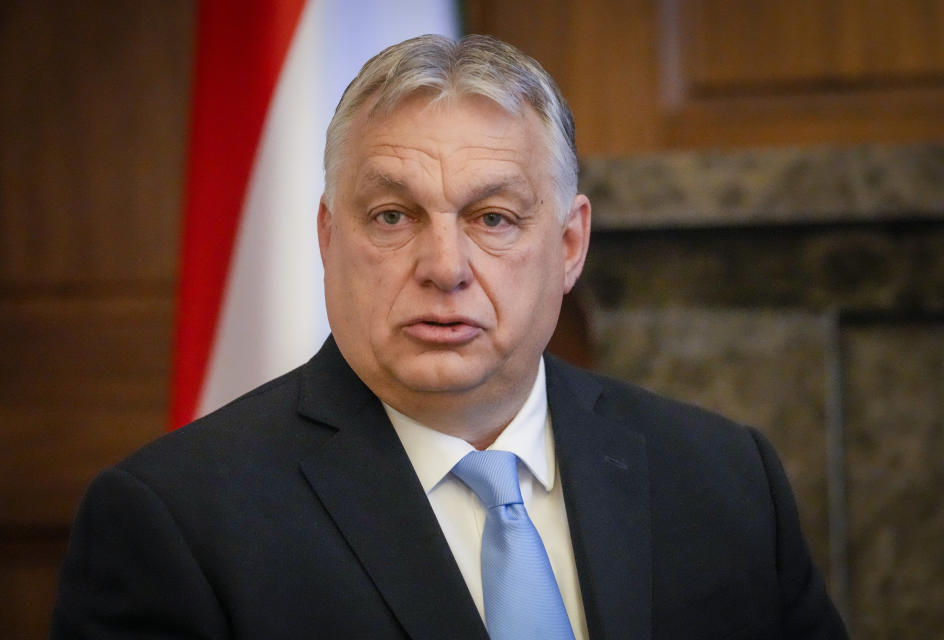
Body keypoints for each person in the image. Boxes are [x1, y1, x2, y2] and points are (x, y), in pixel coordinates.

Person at [52, 34, 848, 639]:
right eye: (392, 216)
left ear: (569, 247)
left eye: (493, 218)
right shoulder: (175, 520)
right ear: (329, 239)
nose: (444, 266)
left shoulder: (725, 478)